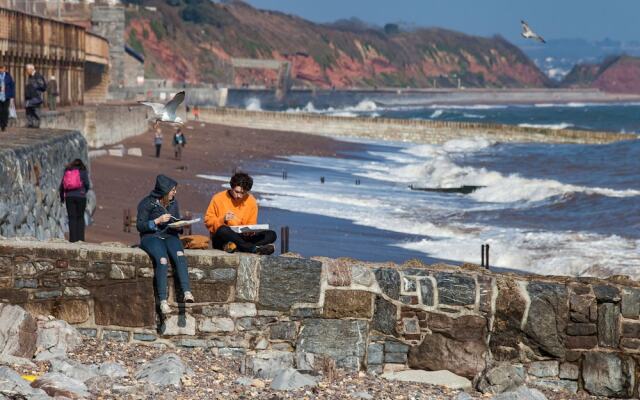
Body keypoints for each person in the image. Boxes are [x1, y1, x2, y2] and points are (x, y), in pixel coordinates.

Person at [137, 174, 194, 314]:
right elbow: (140, 226)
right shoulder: (146, 203)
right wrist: (157, 221)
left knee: (180, 255)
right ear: (164, 190)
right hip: (151, 236)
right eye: (172, 190)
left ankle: (187, 292)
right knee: (162, 260)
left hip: (170, 235)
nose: (175, 193)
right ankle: (163, 301)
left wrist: (180, 225)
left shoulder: (174, 202)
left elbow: (174, 221)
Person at [204, 172, 276, 255]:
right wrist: (222, 219)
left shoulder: (251, 201)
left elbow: (251, 224)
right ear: (231, 187)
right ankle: (252, 248)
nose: (240, 196)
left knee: (272, 234)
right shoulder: (218, 198)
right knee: (223, 230)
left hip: (242, 237)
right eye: (237, 192)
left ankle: (237, 247)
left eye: (243, 193)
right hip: (223, 238)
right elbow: (207, 221)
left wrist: (250, 231)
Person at [59, 159, 91, 243]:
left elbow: (62, 185)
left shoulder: (68, 170)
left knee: (72, 218)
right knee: (80, 218)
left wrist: (62, 197)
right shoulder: (83, 171)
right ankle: (80, 239)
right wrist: (84, 191)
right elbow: (87, 184)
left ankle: (72, 239)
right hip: (81, 196)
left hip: (69, 197)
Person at [24, 64, 46, 128]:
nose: (26, 71)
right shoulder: (30, 76)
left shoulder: (38, 76)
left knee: (36, 111)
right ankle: (30, 123)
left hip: (35, 97)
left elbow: (43, 86)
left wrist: (34, 87)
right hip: (29, 97)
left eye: (27, 70)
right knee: (29, 110)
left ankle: (36, 124)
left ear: (31, 69)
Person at [0, 64, 15, 132]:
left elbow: (12, 87)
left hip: (6, 96)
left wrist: (12, 97)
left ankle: (4, 125)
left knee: (5, 111)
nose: (1, 70)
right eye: (0, 69)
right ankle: (1, 123)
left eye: (2, 68)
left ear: (5, 69)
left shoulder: (8, 77)